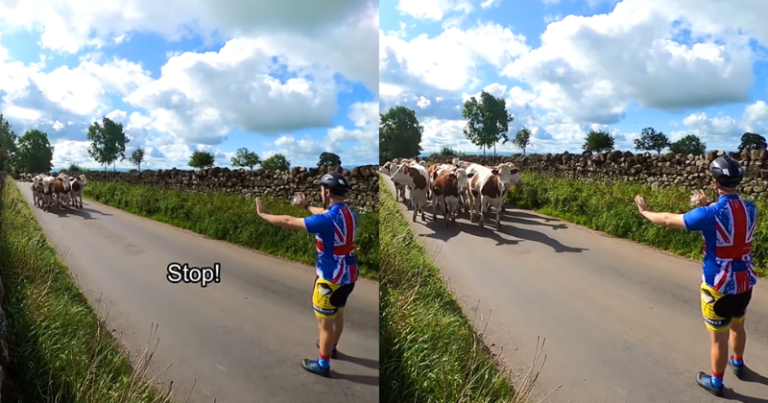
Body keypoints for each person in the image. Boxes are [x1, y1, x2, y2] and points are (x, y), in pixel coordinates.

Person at [633, 155, 758, 397]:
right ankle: (738, 363)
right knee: (738, 324)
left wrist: (645, 212)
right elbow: (731, 216)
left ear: (714, 182)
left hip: (717, 285)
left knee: (717, 338)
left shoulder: (708, 214)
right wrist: (707, 203)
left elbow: (669, 220)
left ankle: (716, 382)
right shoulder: (751, 208)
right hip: (745, 281)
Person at [254, 172, 358, 377]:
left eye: (322, 190)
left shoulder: (326, 220)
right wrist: (306, 206)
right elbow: (322, 211)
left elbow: (289, 221)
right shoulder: (350, 214)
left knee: (324, 325)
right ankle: (332, 348)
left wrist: (263, 215)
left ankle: (323, 364)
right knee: (338, 314)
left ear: (327, 192)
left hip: (329, 278)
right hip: (349, 275)